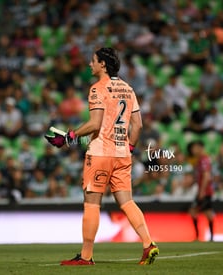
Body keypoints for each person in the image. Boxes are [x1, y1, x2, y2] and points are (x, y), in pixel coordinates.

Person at [45, 48, 158, 265]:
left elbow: (95, 124)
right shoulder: (128, 88)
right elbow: (138, 125)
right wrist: (130, 148)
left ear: (103, 65)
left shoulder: (97, 89)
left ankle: (86, 257)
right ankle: (148, 243)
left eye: (93, 61)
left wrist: (70, 136)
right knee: (126, 201)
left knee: (91, 202)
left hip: (100, 153)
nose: (90, 64)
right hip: (122, 153)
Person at [188, 140, 215, 241]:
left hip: (205, 191)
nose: (193, 150)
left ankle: (199, 236)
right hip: (204, 190)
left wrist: (202, 191)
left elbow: (206, 175)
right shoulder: (200, 160)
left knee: (194, 211)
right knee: (207, 213)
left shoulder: (204, 159)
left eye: (194, 148)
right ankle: (209, 237)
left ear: (200, 148)